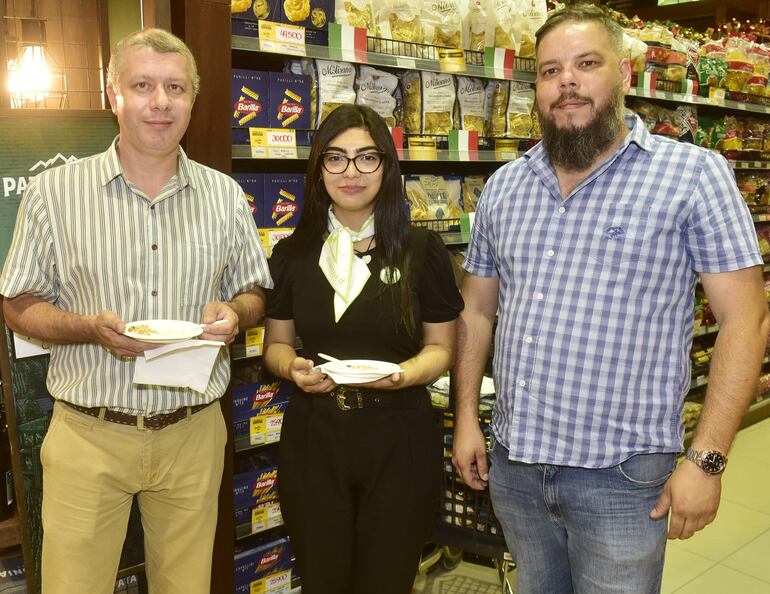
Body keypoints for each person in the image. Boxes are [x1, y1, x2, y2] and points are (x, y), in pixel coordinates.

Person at [452, 5, 770, 593]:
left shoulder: (694, 175)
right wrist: (468, 418)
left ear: (623, 73)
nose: (566, 81)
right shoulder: (505, 186)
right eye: (550, 71)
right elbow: (476, 309)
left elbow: (745, 320)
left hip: (623, 479)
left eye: (586, 64)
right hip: (516, 467)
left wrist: (708, 459)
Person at [0, 28, 272, 594]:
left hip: (193, 434)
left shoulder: (225, 196)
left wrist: (237, 313)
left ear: (193, 100)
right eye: (143, 85)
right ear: (113, 94)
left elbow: (255, 291)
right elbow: (18, 306)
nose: (160, 102)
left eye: (175, 87)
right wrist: (88, 330)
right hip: (87, 435)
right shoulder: (54, 194)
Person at [263, 104, 463, 594]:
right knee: (322, 580)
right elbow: (275, 346)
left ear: (386, 168)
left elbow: (443, 349)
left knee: (386, 582)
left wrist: (405, 374)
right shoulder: (293, 254)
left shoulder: (421, 250)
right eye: (335, 158)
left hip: (399, 438)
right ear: (318, 170)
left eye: (366, 158)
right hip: (315, 440)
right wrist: (294, 369)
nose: (350, 172)